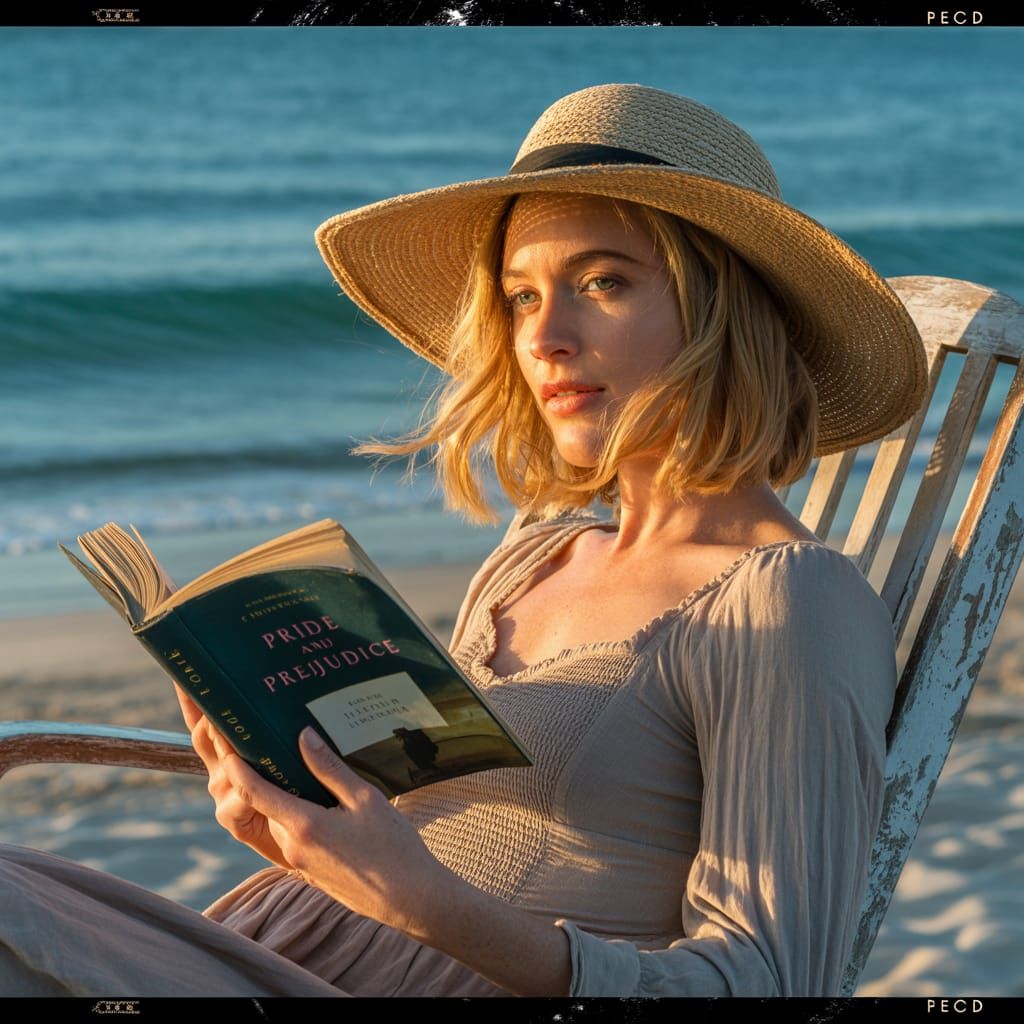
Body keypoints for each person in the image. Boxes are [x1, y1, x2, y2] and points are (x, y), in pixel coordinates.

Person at [0, 83, 926, 997]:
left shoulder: (788, 601)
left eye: (603, 282)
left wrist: (421, 901)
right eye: (522, 298)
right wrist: (289, 825)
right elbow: (424, 837)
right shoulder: (538, 555)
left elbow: (762, 981)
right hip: (271, 942)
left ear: (726, 310)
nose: (546, 338)